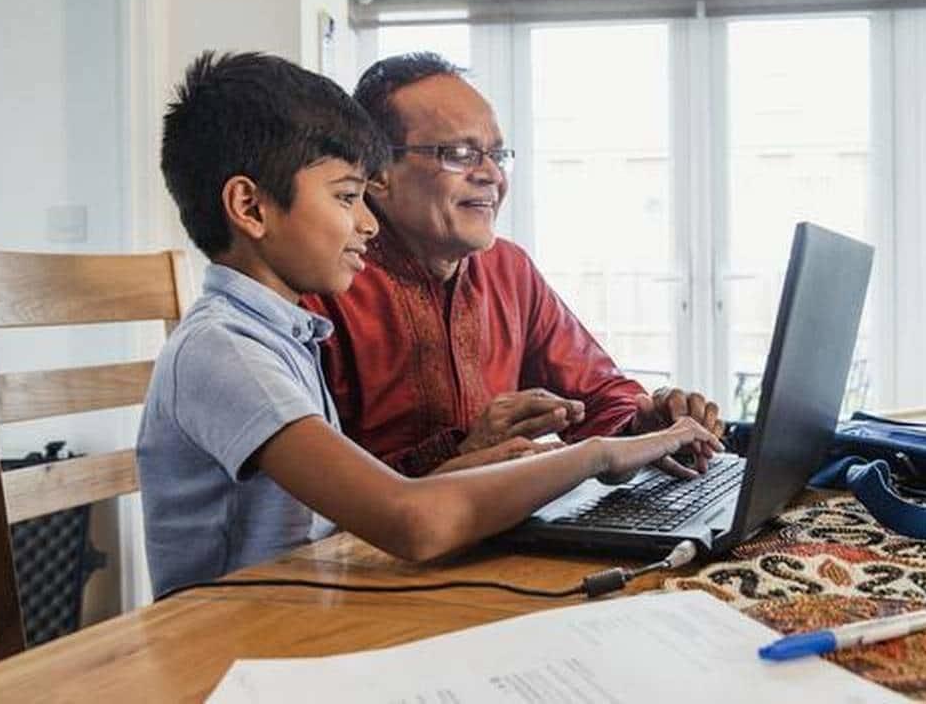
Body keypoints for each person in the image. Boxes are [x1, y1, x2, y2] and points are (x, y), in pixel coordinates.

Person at [136, 51, 721, 597]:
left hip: (330, 594)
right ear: (250, 207)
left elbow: (361, 518)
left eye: (496, 155)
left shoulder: (284, 332)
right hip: (241, 632)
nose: (366, 224)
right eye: (346, 197)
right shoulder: (230, 348)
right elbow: (408, 519)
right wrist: (595, 454)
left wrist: (626, 431)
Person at [302, 52, 725, 479]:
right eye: (460, 153)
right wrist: (463, 452)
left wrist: (648, 424)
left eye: (497, 155)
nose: (492, 175)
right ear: (378, 174)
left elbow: (600, 395)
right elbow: (314, 491)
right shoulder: (320, 285)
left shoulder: (507, 268)